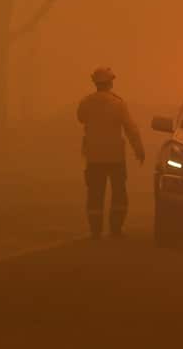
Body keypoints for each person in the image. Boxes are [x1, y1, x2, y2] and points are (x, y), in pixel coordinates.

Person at [77, 67, 145, 239]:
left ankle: (95, 231)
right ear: (110, 83)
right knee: (118, 193)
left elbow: (81, 118)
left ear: (95, 83)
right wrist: (139, 149)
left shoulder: (86, 103)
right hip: (115, 157)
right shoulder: (118, 103)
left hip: (94, 157)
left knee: (95, 194)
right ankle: (116, 229)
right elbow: (130, 128)